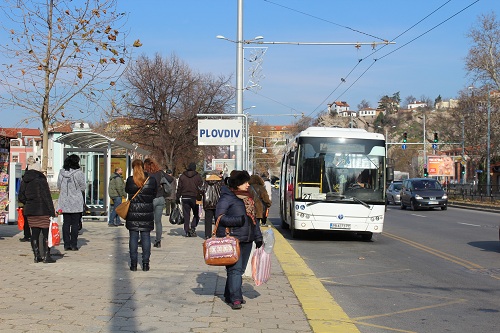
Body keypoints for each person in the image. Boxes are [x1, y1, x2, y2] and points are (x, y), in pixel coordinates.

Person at [215, 170, 263, 310]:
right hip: (232, 238)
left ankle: (229, 294)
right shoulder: (227, 198)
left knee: (239, 270)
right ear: (237, 184)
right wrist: (239, 220)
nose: (248, 184)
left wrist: (258, 237)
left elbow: (254, 221)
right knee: (235, 270)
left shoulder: (249, 198)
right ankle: (236, 298)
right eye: (245, 182)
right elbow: (219, 217)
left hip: (247, 238)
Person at [19, 163, 57, 263]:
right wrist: (52, 212)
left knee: (34, 234)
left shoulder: (25, 180)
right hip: (43, 210)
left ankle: (37, 256)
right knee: (46, 234)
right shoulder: (41, 180)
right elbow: (47, 197)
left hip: (31, 211)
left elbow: (21, 197)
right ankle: (46, 256)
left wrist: (28, 202)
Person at [125, 159, 157, 271]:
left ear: (133, 167)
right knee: (146, 237)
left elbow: (127, 191)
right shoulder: (151, 180)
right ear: (143, 167)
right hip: (147, 212)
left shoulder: (130, 180)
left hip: (132, 212)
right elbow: (154, 194)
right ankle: (145, 264)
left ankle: (133, 265)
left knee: (133, 238)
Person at [57, 154, 86, 251]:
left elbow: (59, 185)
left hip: (65, 200)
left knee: (66, 223)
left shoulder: (61, 173)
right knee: (75, 224)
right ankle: (74, 244)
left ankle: (66, 244)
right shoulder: (79, 173)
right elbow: (83, 187)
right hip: (76, 201)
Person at [175, 162, 203, 237]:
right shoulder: (198, 176)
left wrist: (177, 197)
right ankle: (193, 227)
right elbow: (201, 188)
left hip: (185, 197)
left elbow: (179, 188)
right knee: (197, 214)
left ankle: (187, 230)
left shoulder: (182, 176)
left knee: (186, 215)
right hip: (195, 197)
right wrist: (200, 196)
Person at [144, 158, 166, 248]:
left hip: (151, 199)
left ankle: (144, 239)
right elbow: (170, 179)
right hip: (160, 198)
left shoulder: (146, 175)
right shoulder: (160, 173)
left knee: (147, 220)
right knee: (158, 222)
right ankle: (158, 241)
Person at [200, 172, 224, 239]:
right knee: (218, 220)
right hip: (218, 203)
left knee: (208, 220)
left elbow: (201, 190)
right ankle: (218, 233)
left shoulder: (205, 183)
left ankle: (207, 235)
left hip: (208, 203)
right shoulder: (220, 183)